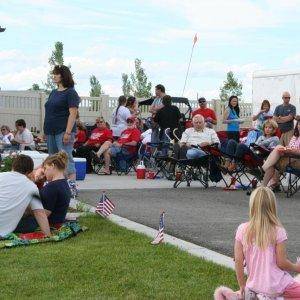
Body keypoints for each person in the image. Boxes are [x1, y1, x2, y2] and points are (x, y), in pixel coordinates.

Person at [234, 187, 300, 298]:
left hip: (254, 286)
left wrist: (242, 286)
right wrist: (296, 267)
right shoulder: (278, 231)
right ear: (272, 207)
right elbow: (281, 262)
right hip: (278, 285)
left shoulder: (242, 229)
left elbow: (238, 261)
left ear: (252, 206)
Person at [43, 65, 80, 182]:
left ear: (63, 76)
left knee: (66, 158)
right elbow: (49, 112)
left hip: (63, 131)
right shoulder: (53, 92)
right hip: (50, 131)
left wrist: (68, 133)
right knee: (52, 160)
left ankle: (71, 187)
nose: (54, 76)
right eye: (53, 73)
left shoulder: (71, 93)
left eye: (57, 73)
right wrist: (45, 131)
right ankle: (56, 185)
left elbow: (73, 114)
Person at [0, 155, 50, 237]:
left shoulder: (1, 176)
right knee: (32, 222)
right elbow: (39, 213)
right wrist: (48, 236)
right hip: (4, 231)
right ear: (29, 172)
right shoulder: (32, 187)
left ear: (13, 166)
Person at [262, 120, 300, 189]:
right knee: (272, 162)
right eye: (299, 124)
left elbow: (294, 150)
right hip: (289, 156)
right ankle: (263, 187)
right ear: (297, 126)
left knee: (278, 149)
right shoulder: (295, 137)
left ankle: (264, 168)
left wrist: (292, 150)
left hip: (297, 159)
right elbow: (290, 148)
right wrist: (286, 150)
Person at [39, 152, 71, 226]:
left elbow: (43, 215)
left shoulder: (52, 187)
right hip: (58, 221)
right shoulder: (64, 183)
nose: (44, 172)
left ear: (52, 165)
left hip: (50, 223)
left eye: (45, 168)